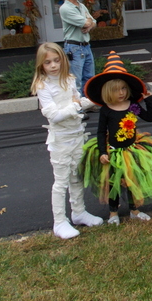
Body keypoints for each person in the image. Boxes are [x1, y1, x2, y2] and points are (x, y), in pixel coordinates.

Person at [80, 51, 152, 226]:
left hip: (132, 151)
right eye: (116, 90)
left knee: (134, 181)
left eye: (124, 88)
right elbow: (101, 132)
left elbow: (149, 117)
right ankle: (113, 213)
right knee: (114, 184)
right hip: (113, 152)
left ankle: (134, 210)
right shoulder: (107, 110)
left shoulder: (132, 106)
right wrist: (103, 152)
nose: (121, 93)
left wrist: (149, 101)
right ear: (108, 91)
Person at [30, 42, 103, 239]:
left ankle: (79, 212)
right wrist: (74, 106)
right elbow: (53, 115)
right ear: (41, 65)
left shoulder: (69, 80)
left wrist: (96, 100)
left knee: (76, 176)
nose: (53, 65)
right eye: (48, 62)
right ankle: (60, 221)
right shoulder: (43, 86)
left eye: (56, 60)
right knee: (61, 181)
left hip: (77, 134)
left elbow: (78, 102)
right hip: (60, 140)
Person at [59, 0, 96, 92]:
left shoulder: (82, 6)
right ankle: (78, 107)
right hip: (74, 47)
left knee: (89, 78)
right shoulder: (65, 9)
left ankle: (88, 103)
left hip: (86, 46)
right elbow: (87, 22)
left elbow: (93, 22)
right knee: (76, 81)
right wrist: (88, 22)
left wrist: (89, 26)